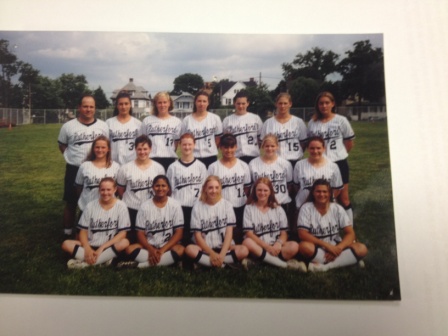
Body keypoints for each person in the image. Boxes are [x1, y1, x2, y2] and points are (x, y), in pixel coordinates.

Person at [58, 94, 109, 237]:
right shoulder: (68, 126)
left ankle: (96, 228)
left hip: (96, 169)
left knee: (95, 199)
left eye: (91, 106)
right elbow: (62, 144)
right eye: (85, 106)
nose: (88, 109)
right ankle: (68, 230)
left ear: (95, 108)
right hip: (75, 168)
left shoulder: (102, 126)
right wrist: (71, 157)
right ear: (79, 108)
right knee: (71, 201)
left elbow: (106, 144)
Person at [297, 179, 367, 272]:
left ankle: (325, 267)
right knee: (304, 246)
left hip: (336, 246)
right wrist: (327, 246)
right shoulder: (306, 208)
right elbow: (302, 234)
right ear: (313, 193)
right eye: (318, 191)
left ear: (330, 194)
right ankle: (348, 261)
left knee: (362, 248)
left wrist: (338, 249)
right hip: (317, 247)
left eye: (325, 191)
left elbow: (350, 233)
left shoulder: (337, 208)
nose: (321, 194)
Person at [307, 91, 355, 223]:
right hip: (320, 164)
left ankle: (349, 230)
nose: (324, 106)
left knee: (343, 198)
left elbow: (349, 142)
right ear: (317, 105)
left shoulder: (341, 120)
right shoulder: (313, 123)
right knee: (321, 196)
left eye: (327, 103)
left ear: (333, 104)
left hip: (338, 163)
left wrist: (339, 155)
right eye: (321, 103)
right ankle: (322, 224)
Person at [61, 177, 130, 268]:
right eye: (102, 190)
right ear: (99, 190)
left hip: (108, 247)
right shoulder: (90, 206)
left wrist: (102, 248)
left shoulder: (121, 206)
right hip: (91, 244)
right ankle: (104, 260)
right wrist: (87, 248)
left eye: (109, 190)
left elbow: (122, 234)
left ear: (115, 189)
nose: (105, 193)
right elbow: (83, 231)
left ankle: (86, 264)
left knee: (125, 242)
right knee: (66, 244)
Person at [242, 177, 306, 271]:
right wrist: (267, 247)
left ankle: (260, 262)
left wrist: (278, 244)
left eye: (265, 190)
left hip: (275, 246)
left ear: (270, 191)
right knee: (247, 242)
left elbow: (284, 233)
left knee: (294, 246)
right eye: (259, 190)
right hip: (259, 246)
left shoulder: (278, 208)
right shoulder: (249, 208)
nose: (262, 193)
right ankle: (284, 265)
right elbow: (249, 234)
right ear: (254, 191)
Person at [120, 175, 185, 268]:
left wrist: (162, 250)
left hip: (167, 246)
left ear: (168, 188)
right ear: (153, 188)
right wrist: (151, 249)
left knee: (181, 249)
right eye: (157, 186)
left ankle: (141, 265)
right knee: (129, 249)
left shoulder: (175, 205)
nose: (160, 188)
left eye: (163, 186)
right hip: (150, 245)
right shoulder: (144, 206)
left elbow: (179, 233)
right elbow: (140, 233)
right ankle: (167, 261)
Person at [185, 176, 249, 268]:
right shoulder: (197, 206)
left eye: (216, 187)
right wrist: (212, 254)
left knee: (244, 250)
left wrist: (222, 254)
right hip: (205, 249)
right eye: (210, 188)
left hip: (223, 247)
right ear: (205, 189)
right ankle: (226, 265)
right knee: (189, 249)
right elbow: (197, 236)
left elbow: (229, 233)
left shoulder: (227, 205)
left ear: (220, 189)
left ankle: (205, 263)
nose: (214, 191)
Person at [116, 135, 165, 243]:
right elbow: (120, 189)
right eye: (139, 149)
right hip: (131, 208)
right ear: (135, 149)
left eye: (145, 149)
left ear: (150, 149)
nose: (142, 152)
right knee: (131, 239)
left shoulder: (158, 168)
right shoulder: (125, 168)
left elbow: (162, 189)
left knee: (151, 238)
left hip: (152, 207)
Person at [208, 133, 251, 244]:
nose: (229, 150)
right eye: (226, 147)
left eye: (232, 147)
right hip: (221, 206)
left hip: (239, 205)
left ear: (236, 147)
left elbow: (247, 187)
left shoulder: (243, 165)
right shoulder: (213, 166)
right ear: (221, 147)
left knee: (238, 234)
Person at [166, 133, 208, 245]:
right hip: (178, 207)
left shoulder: (201, 166)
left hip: (196, 206)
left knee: (195, 237)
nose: (187, 147)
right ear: (179, 145)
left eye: (190, 144)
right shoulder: (173, 167)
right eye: (184, 144)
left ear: (194, 145)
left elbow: (205, 189)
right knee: (180, 237)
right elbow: (169, 190)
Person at [293, 135, 343, 210]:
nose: (315, 151)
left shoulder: (333, 166)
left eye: (318, 148)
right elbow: (296, 186)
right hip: (303, 204)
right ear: (307, 149)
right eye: (312, 148)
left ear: (324, 149)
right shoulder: (299, 165)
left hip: (325, 205)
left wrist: (324, 200)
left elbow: (337, 189)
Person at [75, 135, 120, 216]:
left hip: (108, 208)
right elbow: (79, 187)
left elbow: (117, 188)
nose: (100, 150)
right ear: (93, 148)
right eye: (97, 147)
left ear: (108, 149)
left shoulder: (116, 166)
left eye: (103, 147)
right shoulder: (84, 166)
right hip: (87, 207)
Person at [249, 134, 293, 214]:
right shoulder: (253, 163)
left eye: (272, 146)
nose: (270, 148)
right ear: (262, 146)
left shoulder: (286, 164)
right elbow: (252, 185)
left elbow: (289, 185)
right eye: (267, 146)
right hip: (260, 203)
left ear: (277, 146)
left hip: (281, 202)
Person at [260, 92, 307, 168]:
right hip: (275, 161)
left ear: (290, 104)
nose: (282, 106)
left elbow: (303, 143)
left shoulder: (299, 122)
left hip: (294, 160)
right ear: (276, 104)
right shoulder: (268, 123)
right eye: (280, 103)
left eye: (285, 103)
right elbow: (263, 143)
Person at [180, 90, 223, 168]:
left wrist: (210, 149)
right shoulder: (187, 120)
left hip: (210, 157)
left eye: (204, 101)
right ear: (195, 102)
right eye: (199, 101)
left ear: (208, 103)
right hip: (193, 157)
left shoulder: (215, 118)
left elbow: (218, 139)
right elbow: (183, 139)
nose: (201, 104)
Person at [141, 92, 182, 171]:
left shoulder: (177, 122)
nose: (162, 105)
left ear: (169, 103)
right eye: (159, 103)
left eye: (165, 102)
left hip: (169, 159)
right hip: (151, 158)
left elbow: (176, 142)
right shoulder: (147, 121)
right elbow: (143, 141)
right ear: (156, 104)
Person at [222, 90, 263, 164]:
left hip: (253, 156)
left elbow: (260, 140)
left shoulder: (256, 118)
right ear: (234, 103)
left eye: (243, 103)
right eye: (238, 103)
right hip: (235, 157)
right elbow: (225, 141)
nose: (241, 106)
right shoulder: (227, 120)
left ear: (248, 103)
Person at [106, 91, 142, 165]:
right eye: (121, 104)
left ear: (130, 105)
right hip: (113, 163)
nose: (124, 107)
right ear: (117, 106)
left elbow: (141, 145)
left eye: (126, 104)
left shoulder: (138, 124)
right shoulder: (108, 123)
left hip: (132, 163)